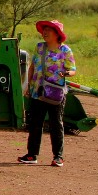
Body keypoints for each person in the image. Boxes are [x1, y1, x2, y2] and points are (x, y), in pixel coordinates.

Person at [18, 18, 74, 167]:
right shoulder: (39, 47)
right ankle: (32, 155)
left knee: (56, 124)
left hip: (55, 93)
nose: (45, 33)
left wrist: (66, 73)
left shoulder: (65, 50)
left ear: (57, 34)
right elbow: (31, 67)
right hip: (38, 91)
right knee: (35, 123)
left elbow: (73, 70)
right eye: (44, 30)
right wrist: (28, 86)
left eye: (49, 30)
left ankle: (58, 157)